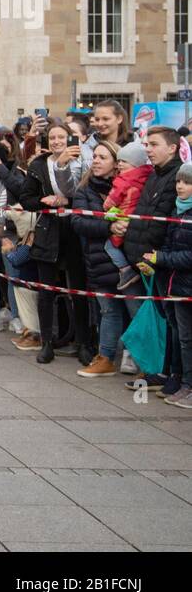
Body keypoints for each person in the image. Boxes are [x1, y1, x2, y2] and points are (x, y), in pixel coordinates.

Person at [118, 126, 185, 393]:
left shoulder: (174, 177)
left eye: (153, 144)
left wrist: (152, 257)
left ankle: (173, 374)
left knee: (174, 323)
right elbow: (143, 214)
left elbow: (161, 226)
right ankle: (162, 371)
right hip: (145, 259)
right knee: (164, 319)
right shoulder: (155, 175)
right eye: (146, 145)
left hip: (160, 260)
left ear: (172, 148)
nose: (147, 149)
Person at [17, 119, 87, 364]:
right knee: (45, 289)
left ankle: (83, 342)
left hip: (74, 231)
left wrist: (65, 203)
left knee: (78, 289)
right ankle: (46, 342)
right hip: (48, 231)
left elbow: (84, 196)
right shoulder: (38, 164)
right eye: (53, 138)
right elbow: (26, 198)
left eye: (62, 137)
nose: (57, 142)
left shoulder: (82, 161)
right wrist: (44, 200)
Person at [139, 161, 192, 406]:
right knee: (181, 335)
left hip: (185, 284)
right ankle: (181, 380)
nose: (180, 186)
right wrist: (156, 262)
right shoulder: (177, 211)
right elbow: (170, 245)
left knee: (187, 337)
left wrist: (163, 258)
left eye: (187, 182)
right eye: (179, 181)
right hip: (174, 283)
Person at [73, 141, 127, 377]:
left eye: (102, 157)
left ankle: (135, 358)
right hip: (99, 261)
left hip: (128, 261)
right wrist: (109, 226)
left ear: (116, 163)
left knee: (135, 309)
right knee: (108, 310)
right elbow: (79, 222)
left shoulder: (128, 186)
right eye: (94, 156)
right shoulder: (84, 190)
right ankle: (106, 357)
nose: (95, 160)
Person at [100, 141, 152, 290]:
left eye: (124, 161)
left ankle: (125, 270)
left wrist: (106, 206)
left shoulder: (123, 180)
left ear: (135, 163)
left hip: (123, 218)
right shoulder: (147, 176)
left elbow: (111, 201)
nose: (120, 165)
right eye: (119, 161)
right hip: (135, 219)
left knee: (109, 245)